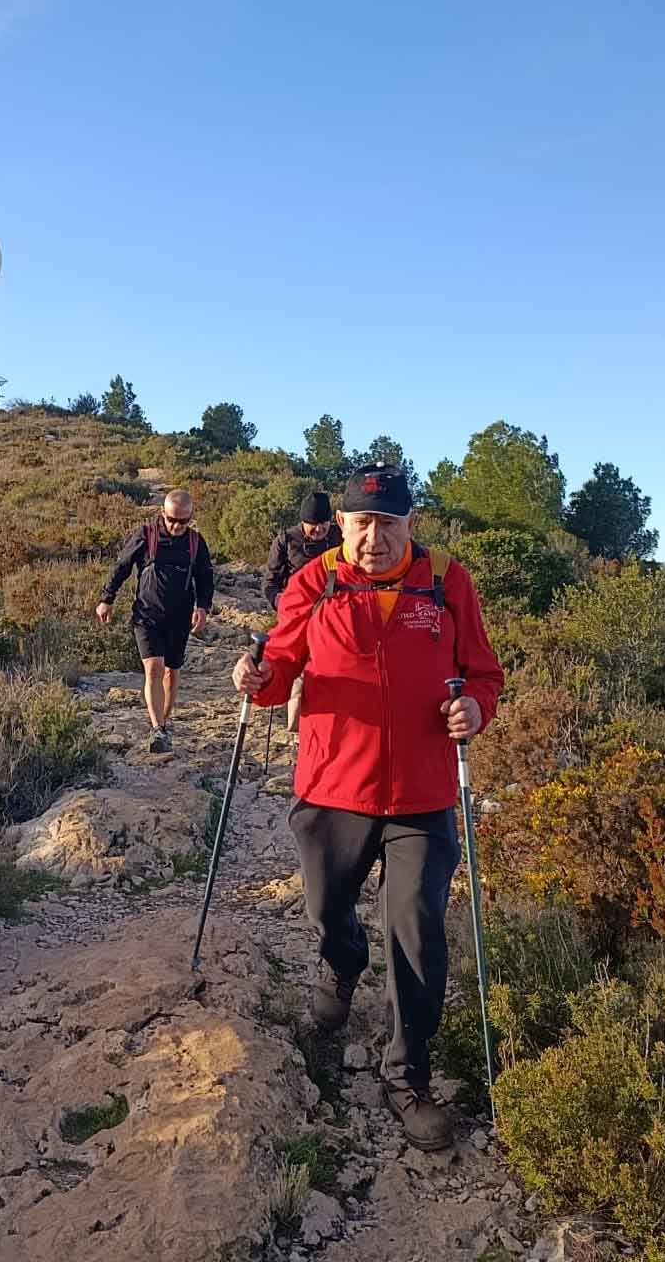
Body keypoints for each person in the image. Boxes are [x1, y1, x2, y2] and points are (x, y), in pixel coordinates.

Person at [232, 463, 504, 1153]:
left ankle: (408, 1075)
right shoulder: (315, 579)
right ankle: (343, 964)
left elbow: (483, 672)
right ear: (342, 524)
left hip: (423, 793)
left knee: (415, 928)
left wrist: (475, 706)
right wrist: (257, 678)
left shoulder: (446, 581)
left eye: (388, 524)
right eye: (361, 524)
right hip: (332, 785)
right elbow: (281, 668)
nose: (373, 539)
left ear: (412, 523)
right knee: (326, 908)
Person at [98, 488, 215, 748]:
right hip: (147, 615)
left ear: (191, 517)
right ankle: (157, 728)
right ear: (162, 513)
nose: (176, 526)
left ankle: (164, 721)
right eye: (172, 519)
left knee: (172, 672)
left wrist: (203, 607)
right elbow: (122, 567)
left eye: (183, 521)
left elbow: (205, 578)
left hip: (180, 617)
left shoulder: (196, 543)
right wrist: (107, 599)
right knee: (154, 668)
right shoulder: (146, 535)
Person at [263, 490, 342, 732]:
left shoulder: (343, 538)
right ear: (302, 522)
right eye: (312, 525)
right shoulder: (286, 540)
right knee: (297, 677)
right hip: (297, 619)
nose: (318, 530)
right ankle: (294, 731)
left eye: (323, 524)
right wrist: (284, 604)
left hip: (335, 620)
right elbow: (270, 582)